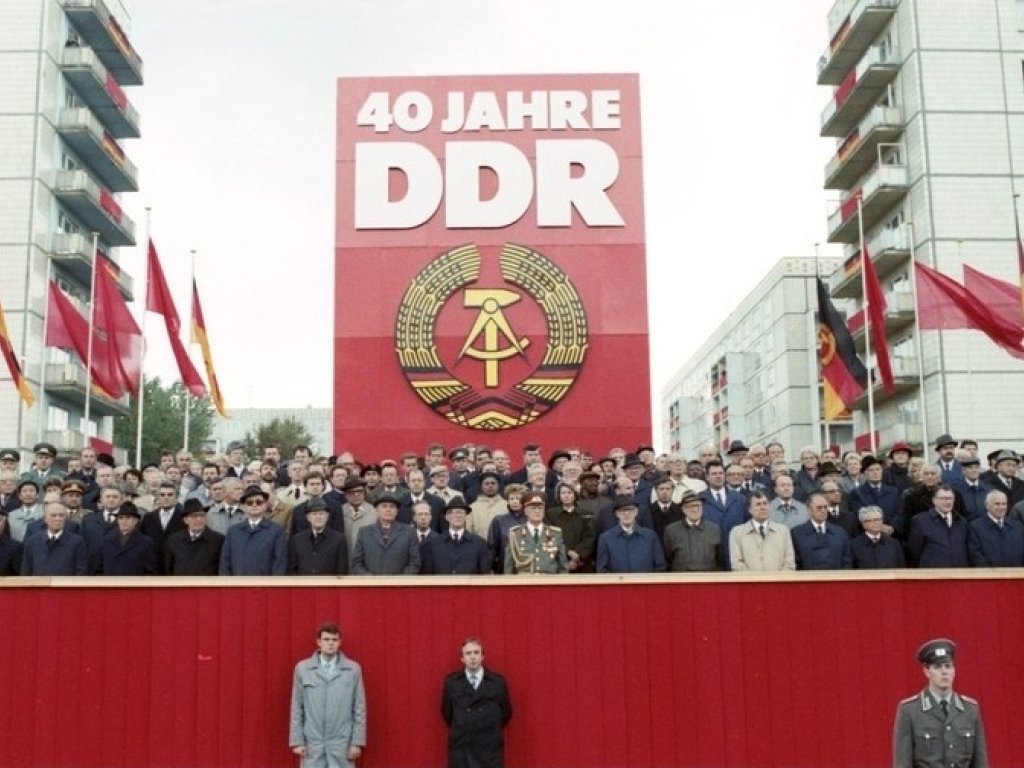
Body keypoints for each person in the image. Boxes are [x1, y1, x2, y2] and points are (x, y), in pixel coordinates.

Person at [893, 638, 988, 768]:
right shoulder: (910, 711)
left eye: (948, 666)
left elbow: (980, 763)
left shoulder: (970, 710)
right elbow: (903, 763)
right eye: (937, 667)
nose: (944, 672)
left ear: (954, 671)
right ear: (927, 672)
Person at [289, 622, 366, 767]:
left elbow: (359, 709)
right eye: (326, 639)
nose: (330, 643)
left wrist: (357, 742)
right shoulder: (303, 669)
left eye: (334, 640)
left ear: (340, 642)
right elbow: (297, 708)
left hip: (342, 745)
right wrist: (297, 741)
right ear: (318, 642)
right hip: (313, 745)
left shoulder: (352, 670)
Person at [441, 637, 512, 768]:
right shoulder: (452, 683)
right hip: (462, 748)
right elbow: (447, 713)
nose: (472, 657)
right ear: (462, 658)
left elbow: (506, 712)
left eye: (476, 652)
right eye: (468, 653)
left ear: (482, 656)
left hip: (489, 750)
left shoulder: (497, 683)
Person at [219, 485, 287, 575]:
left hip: (265, 586)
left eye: (259, 502)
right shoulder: (233, 531)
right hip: (237, 586)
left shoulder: (276, 531)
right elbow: (225, 562)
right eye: (249, 502)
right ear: (243, 506)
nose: (254, 505)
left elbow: (279, 564)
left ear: (265, 505)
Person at [350, 492, 419, 575]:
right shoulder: (364, 532)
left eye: (392, 507)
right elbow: (356, 563)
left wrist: (400, 580)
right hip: (372, 585)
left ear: (397, 511)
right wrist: (371, 580)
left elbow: (415, 563)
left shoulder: (409, 532)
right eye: (384, 506)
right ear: (376, 510)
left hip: (400, 585)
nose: (388, 509)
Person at [596, 496, 666, 573]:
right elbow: (602, 569)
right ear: (617, 514)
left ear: (636, 512)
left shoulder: (650, 536)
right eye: (622, 510)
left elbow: (660, 567)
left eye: (630, 510)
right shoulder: (606, 539)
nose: (626, 514)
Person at [504, 491, 568, 574]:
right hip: (524, 583)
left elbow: (563, 566)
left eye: (540, 508)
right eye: (533, 508)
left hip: (549, 582)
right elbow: (508, 567)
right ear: (525, 511)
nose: (537, 511)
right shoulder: (515, 533)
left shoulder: (555, 533)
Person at [662, 488, 722, 571]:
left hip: (708, 579)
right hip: (682, 580)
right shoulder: (671, 530)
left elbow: (719, 558)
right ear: (683, 509)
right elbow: (668, 558)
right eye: (690, 506)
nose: (695, 509)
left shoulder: (714, 529)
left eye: (697, 505)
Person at [164, 499, 225, 575]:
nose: (199, 519)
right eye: (194, 516)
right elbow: (168, 567)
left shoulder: (218, 540)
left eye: (202, 515)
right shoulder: (174, 540)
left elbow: (222, 568)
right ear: (185, 520)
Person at [289, 498, 349, 575]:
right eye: (314, 514)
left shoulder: (339, 539)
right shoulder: (297, 540)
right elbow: (292, 570)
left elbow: (342, 570)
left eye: (321, 513)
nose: (318, 517)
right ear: (308, 517)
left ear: (327, 516)